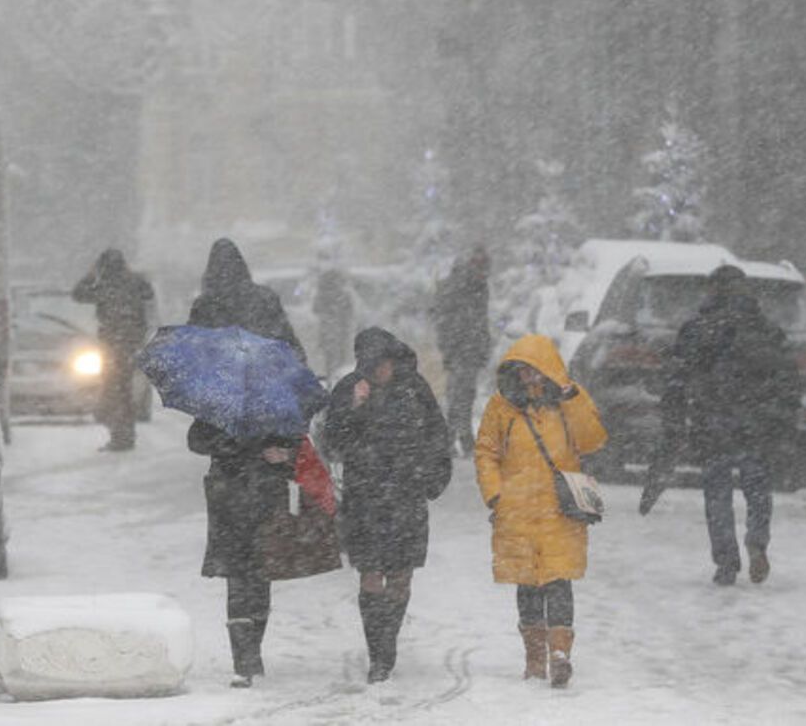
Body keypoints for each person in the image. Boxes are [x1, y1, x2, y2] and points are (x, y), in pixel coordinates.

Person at [184, 238, 309, 688]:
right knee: (262, 561)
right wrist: (282, 446)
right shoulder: (266, 306)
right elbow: (296, 364)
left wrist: (226, 437)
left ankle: (245, 656)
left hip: (227, 473)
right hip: (267, 468)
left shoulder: (204, 311)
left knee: (237, 564)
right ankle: (253, 641)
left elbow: (199, 414)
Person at [474, 334, 607, 689]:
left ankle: (560, 654)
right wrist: (495, 495)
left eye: (535, 372)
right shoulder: (501, 408)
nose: (529, 380)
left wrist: (570, 401)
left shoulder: (570, 399)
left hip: (560, 510)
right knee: (528, 584)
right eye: (522, 373)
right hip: (515, 510)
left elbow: (593, 440)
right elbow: (486, 451)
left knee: (558, 580)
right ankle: (534, 657)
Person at [656, 264, 800, 587]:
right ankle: (757, 539)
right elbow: (788, 379)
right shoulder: (767, 330)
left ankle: (726, 560)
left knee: (717, 493)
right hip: (756, 423)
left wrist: (675, 419)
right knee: (758, 488)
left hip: (712, 422)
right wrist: (783, 420)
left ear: (712, 290)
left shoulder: (696, 328)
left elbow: (676, 379)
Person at [322, 327, 452, 684]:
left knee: (400, 574)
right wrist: (354, 408)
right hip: (365, 497)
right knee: (369, 574)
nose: (378, 371)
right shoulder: (350, 388)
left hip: (406, 496)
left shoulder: (414, 388)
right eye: (371, 365)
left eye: (383, 363)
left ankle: (387, 642)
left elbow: (437, 433)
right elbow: (332, 440)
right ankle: (378, 652)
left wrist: (434, 476)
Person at [73, 248, 155, 452]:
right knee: (122, 392)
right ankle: (124, 435)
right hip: (130, 344)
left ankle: (121, 435)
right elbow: (148, 293)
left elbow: (78, 294)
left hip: (112, 344)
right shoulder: (133, 282)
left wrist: (91, 274)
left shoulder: (104, 285)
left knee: (114, 391)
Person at [434, 245, 492, 457]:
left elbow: (480, 319)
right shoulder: (461, 286)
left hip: (468, 346)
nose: (483, 272)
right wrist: (451, 347)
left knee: (463, 392)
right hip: (462, 346)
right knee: (460, 393)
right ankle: (457, 439)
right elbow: (450, 320)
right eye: (480, 266)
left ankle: (454, 438)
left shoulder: (479, 286)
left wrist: (483, 345)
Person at [312, 266, 354, 378]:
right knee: (340, 357)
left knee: (330, 357)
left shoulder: (322, 294)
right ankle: (337, 378)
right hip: (340, 329)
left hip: (327, 329)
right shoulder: (344, 294)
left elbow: (315, 309)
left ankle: (331, 376)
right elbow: (349, 313)